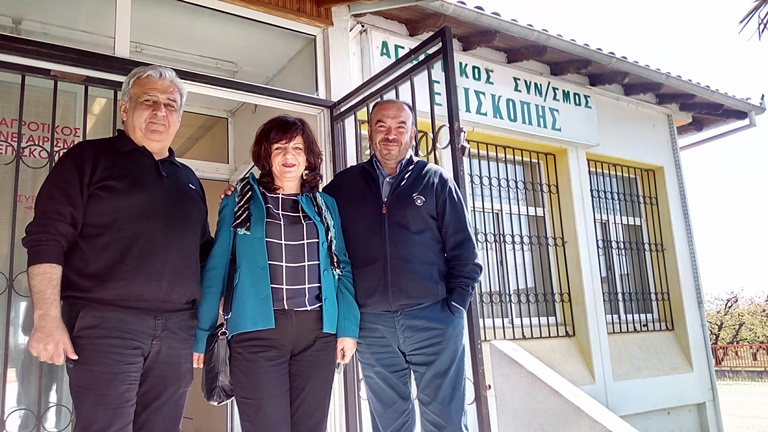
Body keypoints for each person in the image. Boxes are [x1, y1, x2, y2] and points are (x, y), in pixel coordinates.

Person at [22, 65, 212, 432]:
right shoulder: (86, 159)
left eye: (170, 105)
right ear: (124, 108)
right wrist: (46, 318)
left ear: (179, 117)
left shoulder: (188, 180)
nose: (160, 112)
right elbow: (47, 236)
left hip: (177, 331)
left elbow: (204, 254)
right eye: (148, 101)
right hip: (105, 325)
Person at [323, 99, 482, 432]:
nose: (390, 134)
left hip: (434, 320)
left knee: (447, 422)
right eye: (381, 126)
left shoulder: (435, 181)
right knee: (389, 424)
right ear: (369, 132)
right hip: (372, 327)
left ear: (412, 134)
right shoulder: (343, 187)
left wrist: (454, 310)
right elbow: (308, 219)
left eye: (400, 127)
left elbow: (465, 254)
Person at [193, 115, 359, 432]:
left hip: (317, 334)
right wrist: (202, 332)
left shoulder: (325, 205)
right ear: (266, 155)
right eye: (279, 147)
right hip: (256, 334)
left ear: (308, 156)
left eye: (297, 148)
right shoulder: (241, 200)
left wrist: (348, 328)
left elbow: (342, 266)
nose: (288, 155)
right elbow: (216, 268)